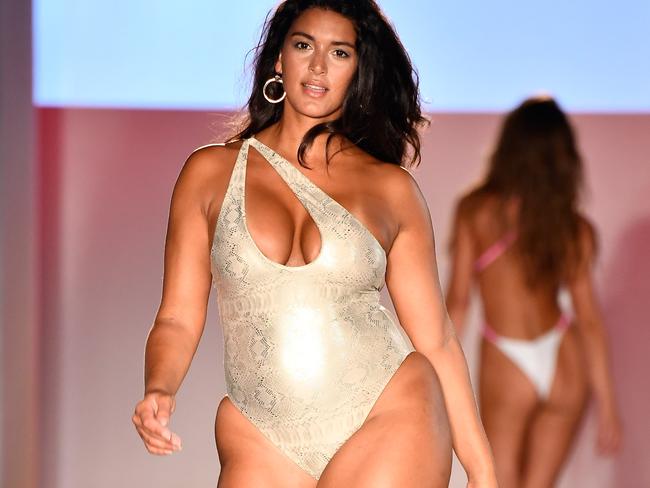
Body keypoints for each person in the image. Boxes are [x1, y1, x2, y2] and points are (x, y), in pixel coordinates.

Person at [132, 1, 497, 486]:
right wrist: (159, 387)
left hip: (388, 413)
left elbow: (437, 340)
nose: (319, 66)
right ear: (279, 59)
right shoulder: (209, 173)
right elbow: (176, 316)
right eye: (304, 45)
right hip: (261, 437)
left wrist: (483, 472)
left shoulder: (389, 188)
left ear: (359, 68)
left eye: (340, 52)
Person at [445, 96, 622, 488]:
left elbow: (458, 302)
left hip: (507, 360)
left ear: (509, 147)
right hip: (566, 357)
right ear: (564, 158)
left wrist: (437, 372)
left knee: (500, 482)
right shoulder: (575, 227)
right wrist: (608, 406)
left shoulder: (476, 211)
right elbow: (589, 320)